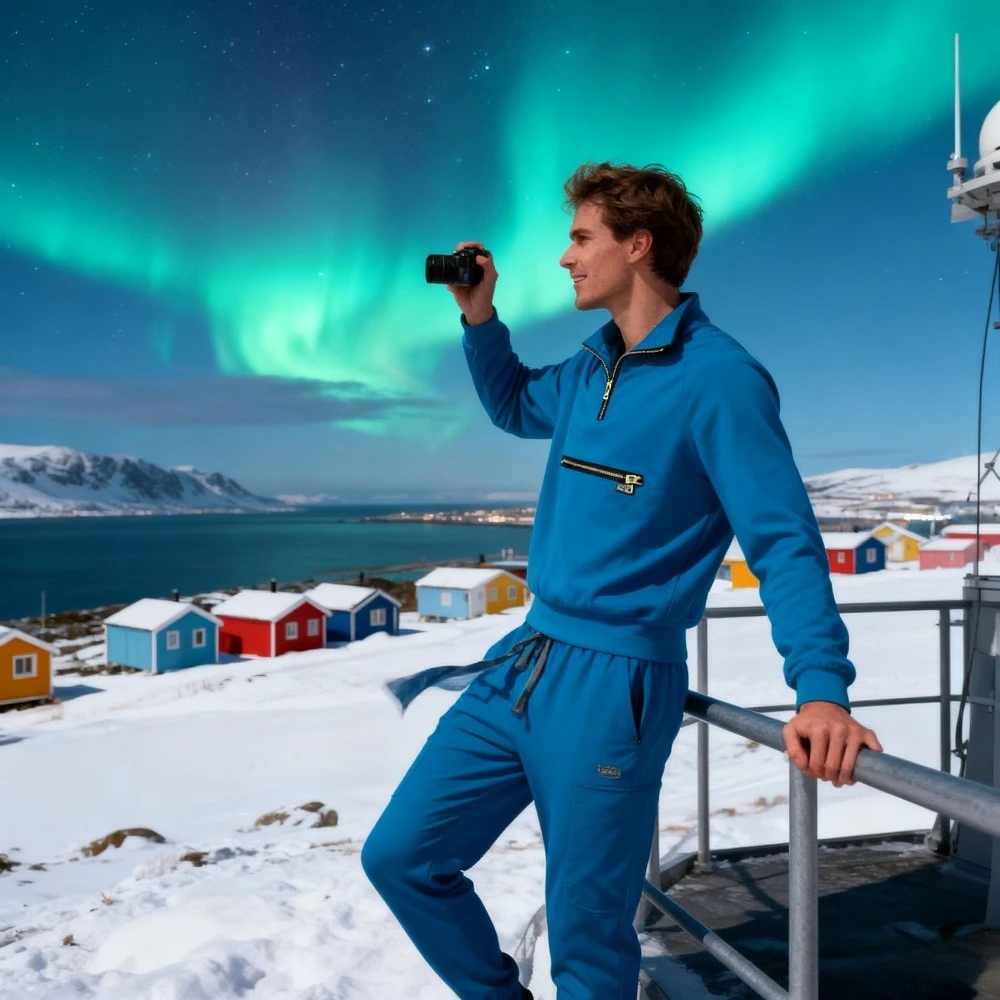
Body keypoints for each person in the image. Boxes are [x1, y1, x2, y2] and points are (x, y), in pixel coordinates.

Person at [361, 161, 883, 1000]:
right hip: (525, 660)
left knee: (589, 937)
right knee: (401, 856)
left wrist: (820, 690)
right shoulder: (591, 363)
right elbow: (512, 406)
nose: (565, 258)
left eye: (580, 238)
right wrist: (479, 316)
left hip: (617, 686)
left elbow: (784, 542)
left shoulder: (721, 381)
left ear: (638, 245)